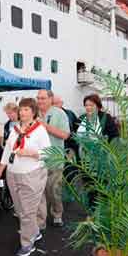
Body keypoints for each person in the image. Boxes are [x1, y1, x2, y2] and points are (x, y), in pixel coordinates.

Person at [0, 98, 51, 256]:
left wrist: (30, 153)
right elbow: (7, 151)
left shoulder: (40, 130)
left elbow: (48, 153)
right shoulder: (15, 130)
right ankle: (34, 231)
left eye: (26, 109)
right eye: (21, 109)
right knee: (20, 209)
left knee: (27, 212)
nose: (22, 112)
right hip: (13, 174)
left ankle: (27, 243)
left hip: (32, 174)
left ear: (33, 112)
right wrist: (0, 172)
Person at [36, 90, 70, 228]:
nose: (40, 101)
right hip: (37, 159)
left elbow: (65, 135)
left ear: (50, 99)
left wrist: (46, 127)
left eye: (43, 98)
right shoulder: (34, 113)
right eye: (38, 98)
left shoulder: (59, 113)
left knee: (54, 190)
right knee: (39, 192)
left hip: (54, 159)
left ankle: (57, 213)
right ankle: (41, 220)